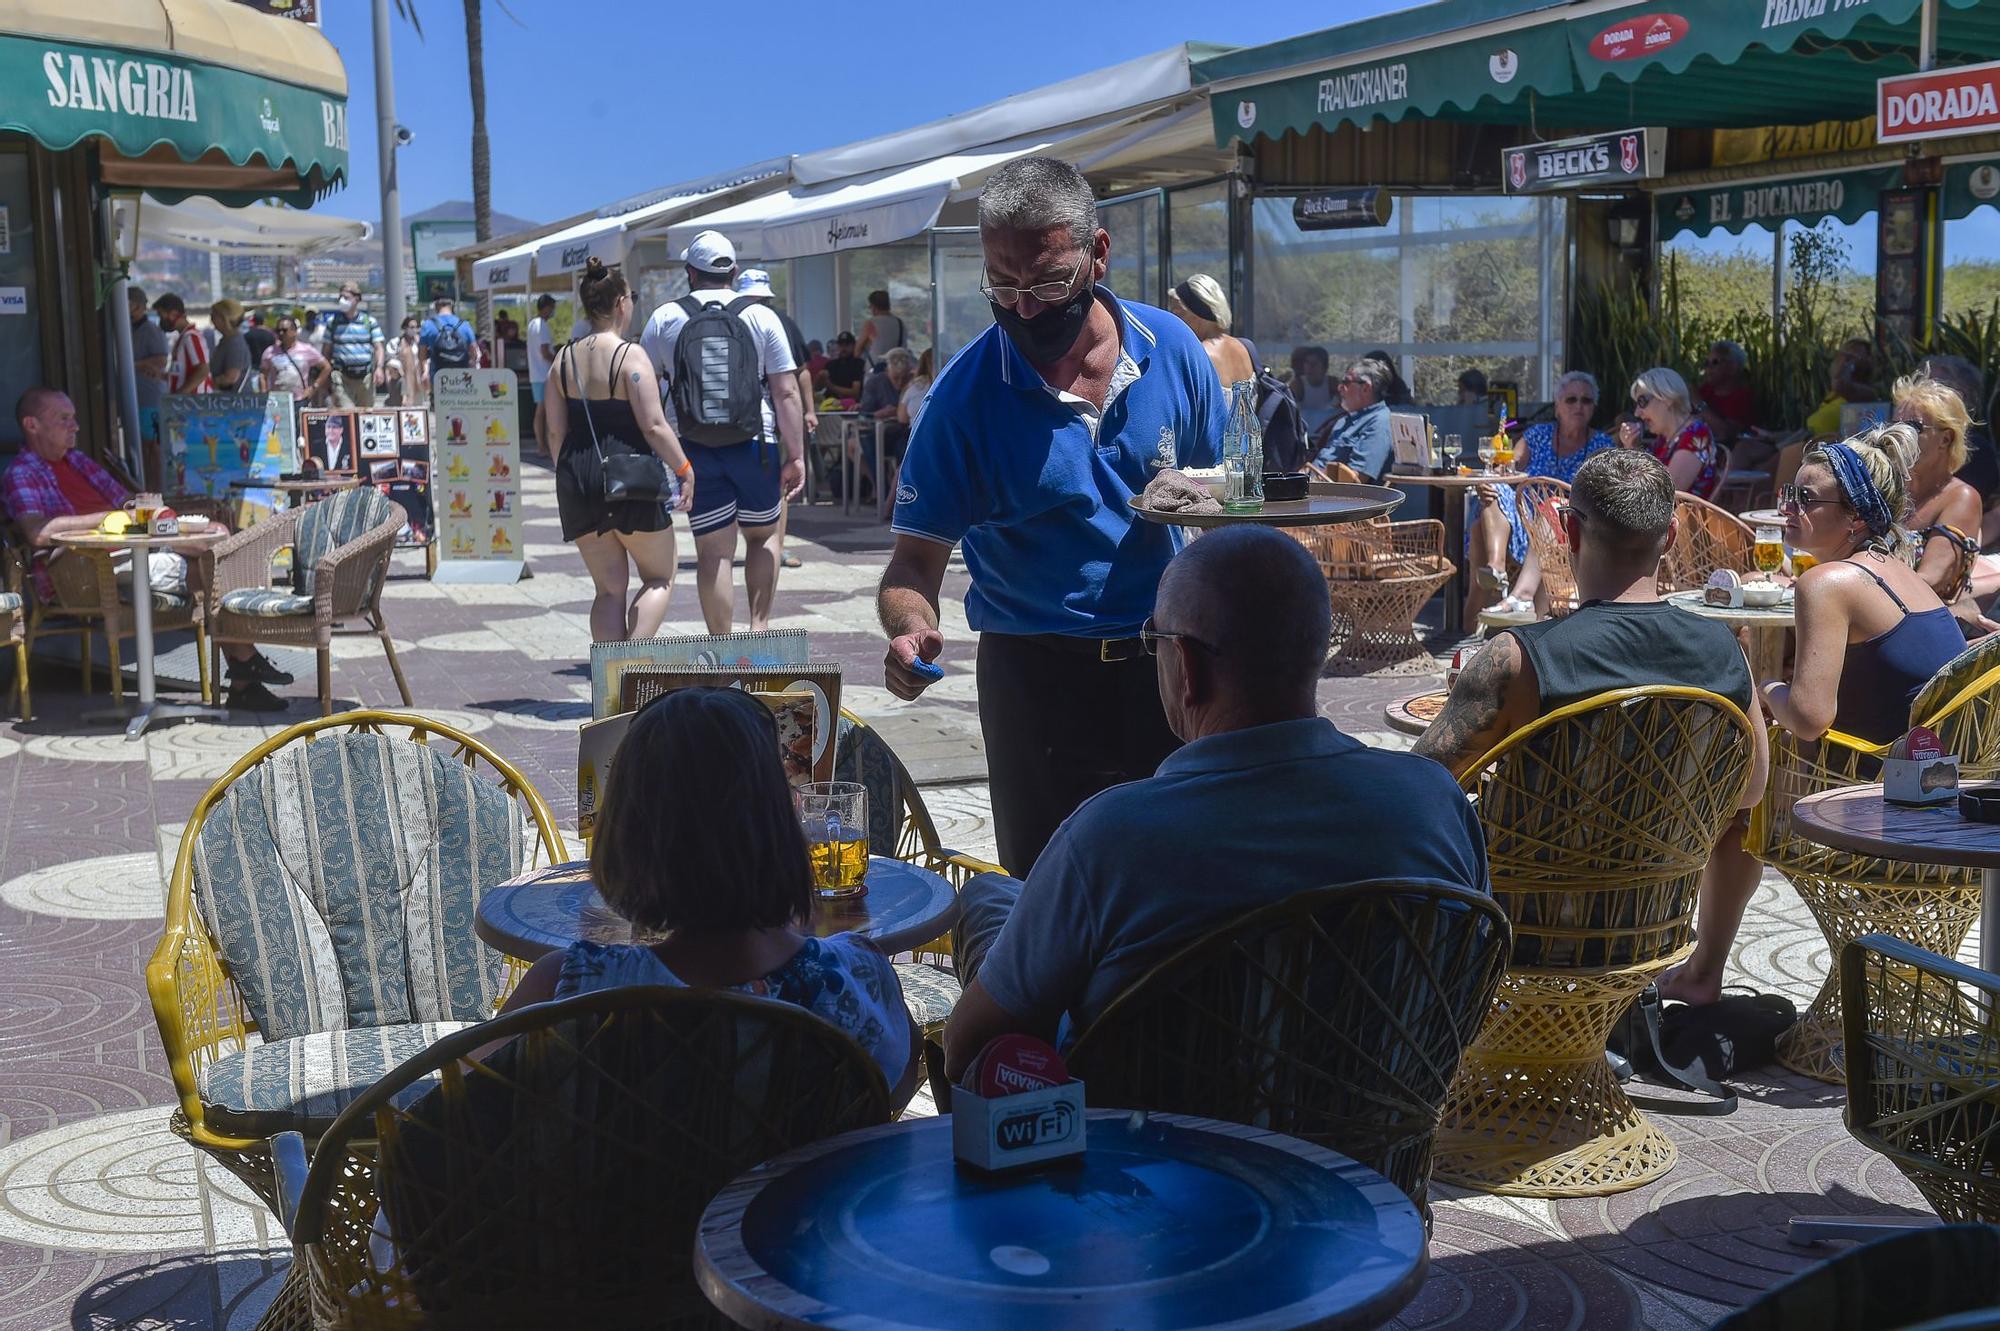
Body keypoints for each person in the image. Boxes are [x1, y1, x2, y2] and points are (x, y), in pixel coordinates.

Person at [941, 525, 1488, 1070]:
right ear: (1315, 651)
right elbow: (1471, 995)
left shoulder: (1111, 840)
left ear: (1187, 667)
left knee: (990, 900)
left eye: (1152, 641)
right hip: (1373, 1142)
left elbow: (967, 1047)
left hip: (1153, 1149)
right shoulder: (1434, 804)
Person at [879, 154, 1223, 876]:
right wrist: (912, 630)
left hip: (1168, 664)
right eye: (1001, 285)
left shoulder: (1176, 353)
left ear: (1098, 254)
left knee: (1179, 879)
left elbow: (1228, 500)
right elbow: (911, 567)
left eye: (1046, 281)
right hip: (1035, 676)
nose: (1025, 307)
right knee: (1049, 891)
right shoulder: (963, 401)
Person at [1412, 448, 1769, 1009]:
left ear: (1567, 530)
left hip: (1524, 931)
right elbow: (1749, 791)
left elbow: (1418, 791)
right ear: (1670, 537)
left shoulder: (1518, 659)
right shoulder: (1725, 651)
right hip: (1652, 926)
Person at [496, 686, 919, 1103]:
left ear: (626, 836)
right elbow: (889, 1095)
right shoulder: (857, 980)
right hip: (808, 1175)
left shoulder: (567, 989)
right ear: (782, 826)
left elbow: (454, 1108)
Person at [3, 388, 289, 710]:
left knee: (218, 539)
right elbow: (37, 533)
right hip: (85, 568)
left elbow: (131, 504)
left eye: (75, 418)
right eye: (64, 419)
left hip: (135, 551)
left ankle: (244, 676)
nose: (75, 427)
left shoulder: (78, 461)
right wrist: (113, 518)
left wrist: (152, 515)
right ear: (32, 424)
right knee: (215, 561)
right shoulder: (22, 472)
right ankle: (245, 669)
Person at [639, 230, 805, 636]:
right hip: (755, 444)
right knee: (763, 537)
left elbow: (645, 387)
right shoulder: (762, 316)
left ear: (690, 274)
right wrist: (796, 455)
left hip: (693, 449)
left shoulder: (665, 317)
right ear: (734, 271)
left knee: (714, 552)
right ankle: (759, 627)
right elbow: (786, 391)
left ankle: (723, 644)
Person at [546, 260, 696, 644]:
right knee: (659, 576)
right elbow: (654, 425)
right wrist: (683, 467)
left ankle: (609, 683)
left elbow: (554, 430)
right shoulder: (630, 357)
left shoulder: (561, 360)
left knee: (609, 590)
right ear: (621, 304)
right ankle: (632, 665)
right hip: (630, 475)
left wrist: (575, 475)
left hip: (577, 475)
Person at [1471, 370, 1616, 616]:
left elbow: (1606, 494)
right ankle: (1496, 567)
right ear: (1557, 406)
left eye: (1586, 400)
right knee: (1493, 489)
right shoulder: (1537, 435)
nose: (1579, 406)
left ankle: (1521, 596)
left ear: (1593, 408)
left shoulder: (1602, 445)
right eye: (1571, 400)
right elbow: (1508, 468)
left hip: (1570, 525)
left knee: (1551, 505)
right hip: (1523, 519)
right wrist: (1492, 477)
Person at [732, 266, 815, 570]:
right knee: (779, 481)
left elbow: (800, 371)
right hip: (770, 418)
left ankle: (772, 543)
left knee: (776, 484)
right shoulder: (777, 319)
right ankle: (770, 544)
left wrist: (808, 410)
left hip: (741, 421)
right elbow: (797, 376)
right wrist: (806, 410)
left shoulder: (775, 321)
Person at [1894, 373, 1991, 626]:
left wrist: (1855, 585)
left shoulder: (1961, 498)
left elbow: (1932, 579)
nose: (1898, 434)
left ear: (1945, 439)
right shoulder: (1891, 489)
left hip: (1917, 624)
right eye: (1895, 424)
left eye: (1913, 427)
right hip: (1867, 613)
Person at [1763, 338, 1878, 491]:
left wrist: (1848, 364)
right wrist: (1771, 436)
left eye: (1851, 357)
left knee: (1768, 467)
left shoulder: (1864, 392)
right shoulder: (1832, 395)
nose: (1843, 359)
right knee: (1749, 451)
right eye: (1843, 355)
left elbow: (1839, 384)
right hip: (1804, 440)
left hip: (1819, 448)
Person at [1619, 366, 1718, 499]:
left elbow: (1665, 496)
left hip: (1681, 519)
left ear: (1667, 398)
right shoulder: (1665, 439)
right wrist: (1632, 448)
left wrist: (1632, 453)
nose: (1637, 413)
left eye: (1642, 402)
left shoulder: (1696, 435)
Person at [1166, 274, 1254, 394]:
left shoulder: (1196, 355)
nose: (1173, 320)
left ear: (1200, 313)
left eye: (1178, 313)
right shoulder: (1245, 347)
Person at [1313, 358, 1395, 483]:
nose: (1340, 388)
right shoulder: (1345, 420)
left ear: (1366, 388)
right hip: (1316, 492)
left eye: (1346, 382)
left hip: (1337, 498)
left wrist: (1311, 481)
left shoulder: (1379, 423)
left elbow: (1356, 480)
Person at [324, 282, 386, 409]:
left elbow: (378, 347)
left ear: (356, 299)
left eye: (346, 298)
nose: (342, 301)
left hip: (365, 378)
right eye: (340, 297)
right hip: (341, 376)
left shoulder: (369, 322)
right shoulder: (333, 322)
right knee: (347, 413)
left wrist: (379, 368)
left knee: (366, 415)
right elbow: (326, 350)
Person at [1696, 340, 1759, 458]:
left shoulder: (1742, 397)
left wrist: (1698, 403)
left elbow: (1725, 433)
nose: (1708, 368)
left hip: (1727, 456)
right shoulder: (1705, 391)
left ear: (1733, 367)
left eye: (1715, 362)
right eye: (1707, 363)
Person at [127, 287, 169, 444]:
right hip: (136, 396)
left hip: (150, 397)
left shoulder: (151, 330)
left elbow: (161, 360)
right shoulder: (128, 329)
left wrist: (132, 365)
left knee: (153, 445)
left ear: (137, 306)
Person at [259, 315, 329, 402]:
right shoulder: (270, 351)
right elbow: (263, 375)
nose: (281, 333)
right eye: (278, 330)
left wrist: (314, 387)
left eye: (284, 330)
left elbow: (326, 367)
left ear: (294, 331)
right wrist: (264, 394)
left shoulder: (306, 349)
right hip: (277, 401)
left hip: (299, 399)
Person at [154, 294, 210, 396]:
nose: (160, 321)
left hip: (192, 403)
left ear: (174, 314)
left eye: (161, 316)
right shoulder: (184, 337)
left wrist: (180, 395)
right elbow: (183, 373)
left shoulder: (191, 337)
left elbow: (203, 370)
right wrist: (162, 376)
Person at [526, 293, 557, 456]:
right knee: (543, 412)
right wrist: (557, 360)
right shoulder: (542, 326)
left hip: (535, 373)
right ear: (546, 308)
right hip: (543, 374)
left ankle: (541, 446)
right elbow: (545, 352)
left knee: (541, 411)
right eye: (552, 308)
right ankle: (543, 447)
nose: (553, 311)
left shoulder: (532, 324)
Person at [1290, 345, 1339, 447]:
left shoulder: (1333, 384)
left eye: (1314, 364)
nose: (1310, 367)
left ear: (1325, 367)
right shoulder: (1297, 385)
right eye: (1307, 363)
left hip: (1328, 436)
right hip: (1304, 436)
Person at [419, 296, 477, 375]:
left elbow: (422, 353)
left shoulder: (428, 325)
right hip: (462, 375)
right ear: (452, 306)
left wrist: (424, 371)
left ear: (436, 306)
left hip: (438, 376)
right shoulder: (464, 324)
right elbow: (473, 349)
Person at [207, 300, 252, 393]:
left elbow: (230, 377)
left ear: (224, 318)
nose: (211, 320)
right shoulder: (226, 341)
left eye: (214, 316)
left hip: (234, 402)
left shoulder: (235, 343)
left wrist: (207, 383)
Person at [855, 289, 905, 368]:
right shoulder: (900, 323)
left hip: (875, 369)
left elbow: (857, 352)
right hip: (896, 369)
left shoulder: (871, 323)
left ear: (874, 307)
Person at [385, 314, 425, 407]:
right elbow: (390, 360)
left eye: (416, 327)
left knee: (416, 407)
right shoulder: (396, 342)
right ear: (405, 328)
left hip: (416, 380)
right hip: (400, 380)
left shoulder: (419, 343)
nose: (414, 330)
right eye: (411, 327)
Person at [823, 332, 866, 401]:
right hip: (829, 404)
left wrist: (831, 386)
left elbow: (855, 393)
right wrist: (820, 377)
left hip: (850, 406)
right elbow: (817, 388)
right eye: (841, 345)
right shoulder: (831, 364)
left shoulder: (858, 364)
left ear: (853, 346)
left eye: (847, 345)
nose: (843, 348)